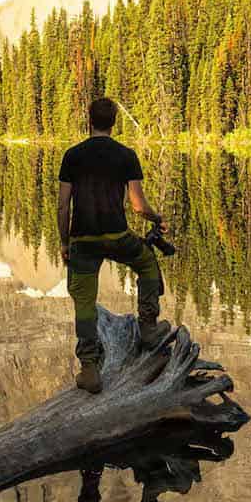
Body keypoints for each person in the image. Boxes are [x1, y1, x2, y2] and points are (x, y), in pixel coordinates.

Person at [57, 96, 170, 392]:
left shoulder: (72, 155)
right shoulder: (126, 155)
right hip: (118, 236)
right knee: (146, 262)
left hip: (83, 240)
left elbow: (63, 206)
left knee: (84, 302)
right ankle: (148, 328)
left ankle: (90, 369)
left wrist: (64, 242)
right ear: (113, 123)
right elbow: (138, 206)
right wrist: (156, 218)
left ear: (89, 120)